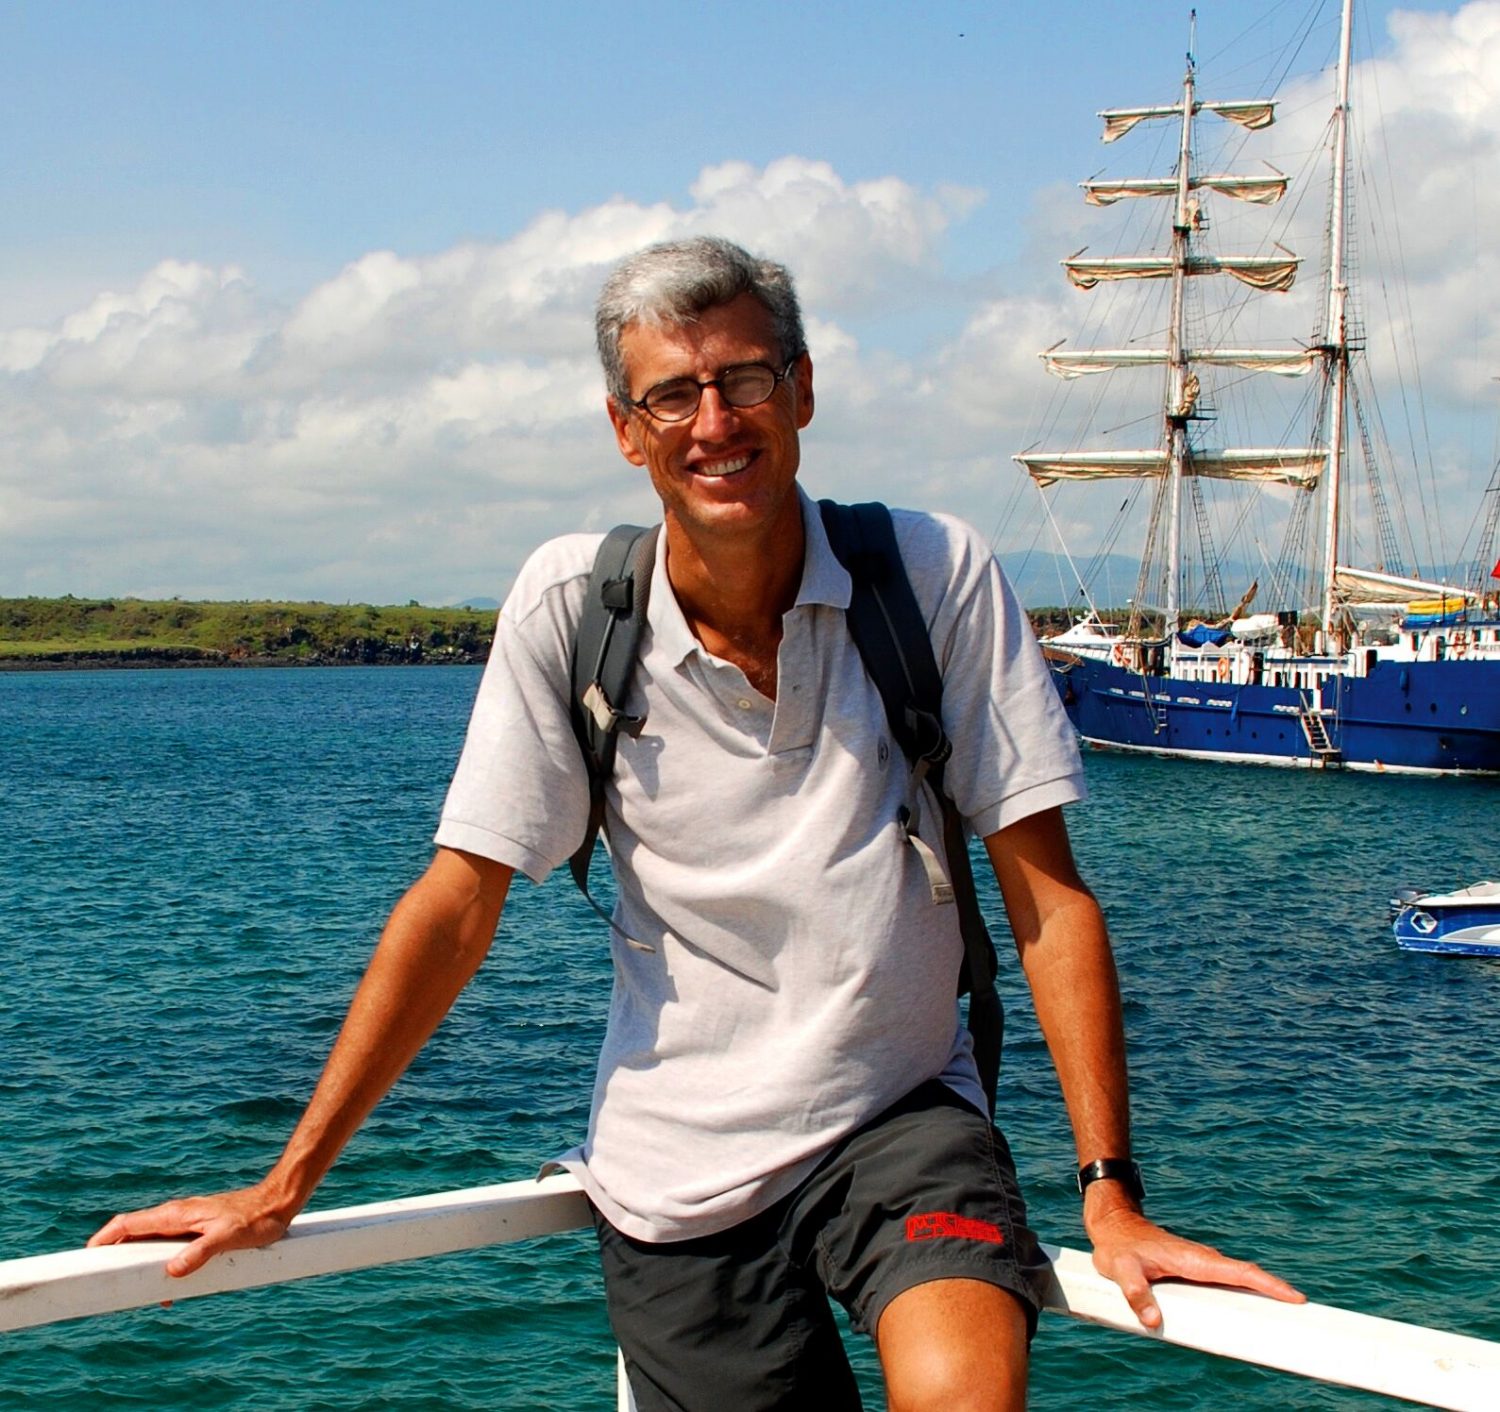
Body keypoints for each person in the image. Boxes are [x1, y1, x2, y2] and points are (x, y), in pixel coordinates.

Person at [90, 236, 1303, 1410]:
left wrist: (1110, 1191)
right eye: (673, 394)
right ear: (627, 429)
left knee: (965, 1388)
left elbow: (1048, 896)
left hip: (905, 1114)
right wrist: (286, 1181)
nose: (715, 421)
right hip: (678, 1167)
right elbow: (458, 904)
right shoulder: (573, 608)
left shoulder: (931, 575)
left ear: (802, 389)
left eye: (746, 379)